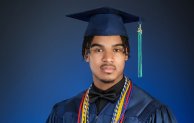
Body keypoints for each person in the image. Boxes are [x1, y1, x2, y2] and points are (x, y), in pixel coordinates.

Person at [46, 7, 177, 123]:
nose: (108, 58)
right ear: (87, 54)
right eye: (99, 50)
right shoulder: (63, 112)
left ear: (126, 54)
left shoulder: (151, 112)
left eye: (116, 50)